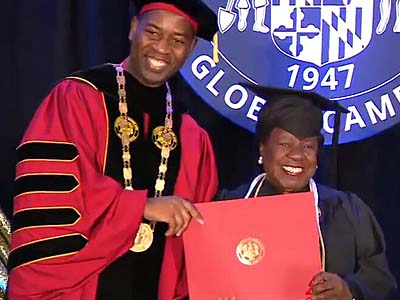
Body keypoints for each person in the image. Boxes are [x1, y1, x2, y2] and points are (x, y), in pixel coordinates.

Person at [8, 1, 218, 299]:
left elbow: (201, 237)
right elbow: (56, 191)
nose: (162, 48)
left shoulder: (191, 134)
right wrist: (141, 207)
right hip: (80, 286)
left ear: (192, 48)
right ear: (134, 29)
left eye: (178, 40)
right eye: (153, 33)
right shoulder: (78, 97)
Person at [220, 84, 397, 300]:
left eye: (308, 147)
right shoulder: (228, 207)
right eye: (284, 144)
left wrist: (348, 290)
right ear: (262, 148)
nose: (297, 155)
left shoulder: (347, 209)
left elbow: (381, 280)